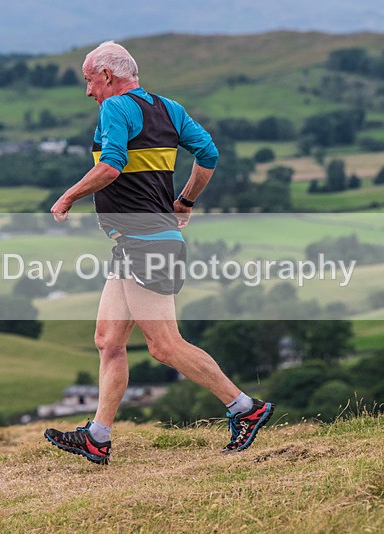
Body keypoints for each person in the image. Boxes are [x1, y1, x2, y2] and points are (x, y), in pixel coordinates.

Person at [44, 41, 273, 465]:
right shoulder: (169, 108)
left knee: (165, 346)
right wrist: (185, 201)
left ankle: (247, 408)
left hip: (145, 243)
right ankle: (98, 436)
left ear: (108, 77)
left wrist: (67, 197)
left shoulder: (114, 108)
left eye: (90, 81)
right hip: (138, 242)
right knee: (108, 340)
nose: (89, 92)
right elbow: (209, 154)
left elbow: (110, 165)